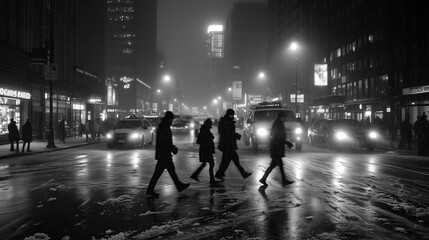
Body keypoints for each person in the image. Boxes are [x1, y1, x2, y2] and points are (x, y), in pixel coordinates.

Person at [146, 111, 190, 198]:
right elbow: (165, 141)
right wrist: (172, 148)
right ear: (169, 118)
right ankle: (179, 186)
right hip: (164, 154)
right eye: (172, 119)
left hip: (163, 153)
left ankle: (150, 190)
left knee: (162, 172)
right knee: (168, 171)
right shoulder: (164, 126)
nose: (172, 121)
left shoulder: (163, 125)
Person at [215, 109, 252, 180]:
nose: (233, 116)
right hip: (228, 145)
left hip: (226, 144)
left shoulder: (225, 121)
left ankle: (219, 173)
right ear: (229, 115)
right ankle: (243, 173)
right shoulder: (227, 123)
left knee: (227, 161)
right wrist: (236, 136)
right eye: (232, 115)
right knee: (232, 160)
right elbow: (228, 134)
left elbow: (225, 133)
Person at [259, 111, 294, 187]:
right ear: (281, 117)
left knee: (277, 165)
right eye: (285, 117)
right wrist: (287, 143)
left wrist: (286, 142)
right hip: (276, 148)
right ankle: (264, 179)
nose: (286, 119)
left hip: (276, 147)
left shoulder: (278, 124)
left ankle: (265, 179)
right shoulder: (278, 125)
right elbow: (278, 137)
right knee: (274, 165)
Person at [190, 118, 218, 185]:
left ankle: (195, 175)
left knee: (206, 163)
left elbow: (199, 141)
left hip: (205, 150)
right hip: (206, 150)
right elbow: (199, 141)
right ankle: (211, 179)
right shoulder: (205, 131)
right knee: (211, 163)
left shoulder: (204, 130)